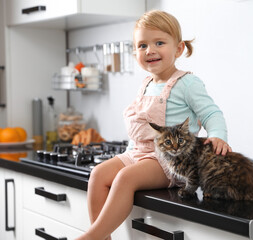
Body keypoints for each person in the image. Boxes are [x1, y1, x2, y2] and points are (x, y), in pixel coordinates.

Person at [75, 10, 232, 240]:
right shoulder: (146, 83)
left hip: (169, 160)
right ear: (135, 52)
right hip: (137, 153)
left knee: (125, 178)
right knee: (98, 174)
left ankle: (91, 237)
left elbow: (211, 113)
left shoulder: (187, 83)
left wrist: (218, 135)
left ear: (178, 49)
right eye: (142, 45)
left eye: (159, 42)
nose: (150, 50)